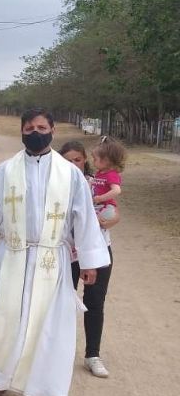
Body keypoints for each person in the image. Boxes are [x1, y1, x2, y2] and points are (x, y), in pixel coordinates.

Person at [0, 108, 111, 396]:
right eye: (29, 127)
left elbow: (84, 220)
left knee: (46, 325)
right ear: (22, 132)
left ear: (52, 130)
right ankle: (1, 376)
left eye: (41, 126)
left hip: (50, 259)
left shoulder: (70, 175)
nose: (35, 132)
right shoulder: (4, 171)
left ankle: (41, 389)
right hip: (11, 254)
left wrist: (90, 261)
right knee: (5, 316)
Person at [59, 141, 120, 378]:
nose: (73, 164)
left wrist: (113, 218)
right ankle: (59, 352)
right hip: (67, 252)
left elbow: (113, 209)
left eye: (78, 159)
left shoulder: (97, 183)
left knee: (95, 303)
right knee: (64, 302)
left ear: (86, 160)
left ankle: (92, 355)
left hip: (98, 250)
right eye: (67, 160)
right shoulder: (54, 185)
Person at [90, 136, 126, 221]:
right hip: (97, 205)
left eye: (95, 159)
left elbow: (117, 190)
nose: (93, 161)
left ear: (106, 160)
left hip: (106, 206)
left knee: (95, 221)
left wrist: (101, 198)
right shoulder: (99, 173)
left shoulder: (111, 175)